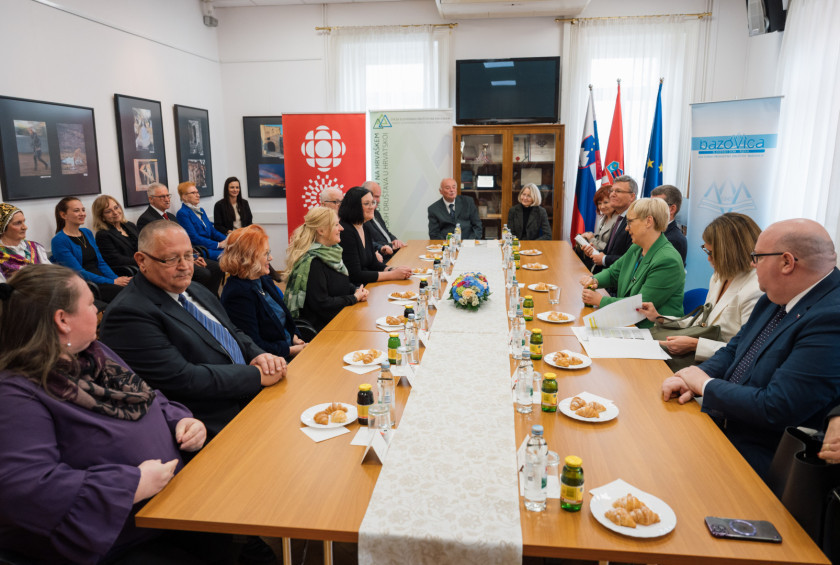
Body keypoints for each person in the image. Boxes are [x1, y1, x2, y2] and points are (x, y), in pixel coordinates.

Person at [0, 264, 226, 565]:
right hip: (115, 539)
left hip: (167, 505)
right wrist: (132, 483)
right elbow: (26, 487)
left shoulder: (95, 353)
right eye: (91, 305)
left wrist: (181, 420)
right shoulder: (17, 393)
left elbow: (148, 397)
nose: (97, 311)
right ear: (62, 320)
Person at [661, 218, 840, 478]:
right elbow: (735, 349)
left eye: (757, 257)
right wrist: (693, 377)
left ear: (787, 262)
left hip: (760, 460)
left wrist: (705, 385)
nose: (752, 264)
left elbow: (775, 408)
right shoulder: (776, 294)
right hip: (722, 423)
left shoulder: (831, 318)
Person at [99, 221, 286, 440]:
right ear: (142, 260)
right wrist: (255, 375)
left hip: (250, 395)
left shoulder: (195, 289)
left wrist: (259, 355)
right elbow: (183, 378)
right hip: (210, 423)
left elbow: (233, 331)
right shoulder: (128, 314)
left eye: (188, 255)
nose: (185, 266)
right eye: (171, 258)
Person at [639, 213, 763, 362]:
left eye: (711, 253)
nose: (708, 258)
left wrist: (696, 345)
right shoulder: (720, 276)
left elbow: (747, 351)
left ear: (731, 253)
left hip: (721, 367)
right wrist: (660, 317)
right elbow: (703, 323)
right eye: (706, 250)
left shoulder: (756, 290)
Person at [580, 198, 684, 328]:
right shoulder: (636, 247)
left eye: (630, 222)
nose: (626, 228)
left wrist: (600, 300)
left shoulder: (668, 260)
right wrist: (594, 280)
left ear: (648, 221)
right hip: (628, 324)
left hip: (652, 332)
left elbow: (640, 305)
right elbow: (614, 273)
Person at [219, 225, 306, 361]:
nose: (271, 258)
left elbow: (284, 320)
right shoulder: (238, 294)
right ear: (248, 258)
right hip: (272, 361)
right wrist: (290, 350)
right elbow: (254, 345)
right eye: (266, 254)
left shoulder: (263, 279)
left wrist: (294, 337)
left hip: (288, 350)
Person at [285, 207, 368, 332]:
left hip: (338, 319)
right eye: (336, 225)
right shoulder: (312, 263)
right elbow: (322, 304)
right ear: (321, 230)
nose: (342, 228)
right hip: (324, 330)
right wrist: (354, 298)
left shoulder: (331, 253)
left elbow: (338, 285)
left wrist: (356, 290)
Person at [136, 183, 224, 295]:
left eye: (168, 196)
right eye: (162, 197)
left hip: (187, 256)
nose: (167, 199)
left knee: (216, 267)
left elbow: (184, 240)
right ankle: (195, 300)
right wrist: (188, 259)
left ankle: (212, 299)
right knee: (204, 273)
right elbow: (160, 248)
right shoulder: (146, 219)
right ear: (151, 199)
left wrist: (194, 256)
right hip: (171, 261)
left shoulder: (171, 217)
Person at [51, 197, 130, 303]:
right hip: (86, 285)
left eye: (83, 210)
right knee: (128, 294)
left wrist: (116, 279)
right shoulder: (59, 240)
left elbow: (101, 262)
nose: (82, 213)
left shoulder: (86, 233)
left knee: (133, 287)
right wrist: (112, 281)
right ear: (63, 215)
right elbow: (78, 273)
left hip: (101, 279)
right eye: (76, 210)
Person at [338, 186, 412, 286]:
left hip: (367, 286)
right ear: (354, 207)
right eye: (366, 204)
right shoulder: (345, 231)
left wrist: (392, 269)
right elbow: (355, 275)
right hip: (355, 290)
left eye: (372, 202)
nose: (372, 206)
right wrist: (392, 275)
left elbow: (373, 263)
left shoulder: (364, 227)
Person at [584, 174, 638, 271]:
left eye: (618, 191)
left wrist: (604, 259)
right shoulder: (620, 218)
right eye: (612, 190)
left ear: (632, 196)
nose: (612, 194)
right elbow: (611, 252)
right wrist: (595, 252)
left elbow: (633, 259)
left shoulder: (636, 219)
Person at [176, 181, 227, 261]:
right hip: (202, 249)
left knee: (238, 250)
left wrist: (228, 240)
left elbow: (212, 231)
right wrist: (218, 244)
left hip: (211, 245)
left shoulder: (201, 210)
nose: (198, 195)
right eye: (193, 193)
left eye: (197, 192)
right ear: (184, 197)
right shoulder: (182, 213)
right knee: (232, 256)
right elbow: (194, 238)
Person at [0, 203, 50, 282]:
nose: (25, 227)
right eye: (18, 223)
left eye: (24, 222)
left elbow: (51, 274)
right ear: (3, 228)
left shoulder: (35, 247)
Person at [92, 195, 141, 272]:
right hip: (129, 271)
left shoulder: (130, 225)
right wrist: (143, 261)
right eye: (108, 211)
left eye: (116, 207)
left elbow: (143, 245)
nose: (115, 212)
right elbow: (117, 260)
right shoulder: (102, 235)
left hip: (143, 265)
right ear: (101, 217)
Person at [363, 180, 406, 262]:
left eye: (379, 197)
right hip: (382, 258)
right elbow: (370, 243)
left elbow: (386, 232)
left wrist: (395, 241)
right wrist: (390, 245)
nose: (378, 200)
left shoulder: (376, 213)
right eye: (376, 196)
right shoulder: (362, 217)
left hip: (392, 254)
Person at [576, 185, 617, 269]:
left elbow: (609, 248)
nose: (602, 206)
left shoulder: (618, 221)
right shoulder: (603, 218)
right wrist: (589, 235)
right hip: (595, 260)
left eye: (605, 202)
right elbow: (600, 238)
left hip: (607, 265)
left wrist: (591, 239)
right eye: (599, 203)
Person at [650, 184, 688, 265]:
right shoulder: (650, 230)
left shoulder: (674, 240)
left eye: (656, 205)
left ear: (672, 209)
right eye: (650, 204)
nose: (650, 209)